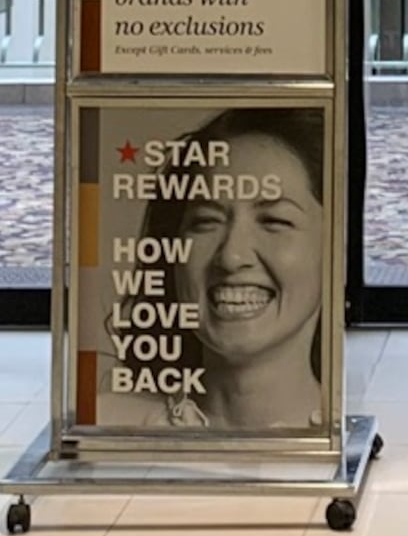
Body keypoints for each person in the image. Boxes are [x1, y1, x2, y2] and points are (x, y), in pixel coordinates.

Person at [98, 117, 328, 433]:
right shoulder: (103, 426)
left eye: (274, 220)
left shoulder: (348, 440)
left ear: (334, 249)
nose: (232, 256)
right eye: (206, 221)